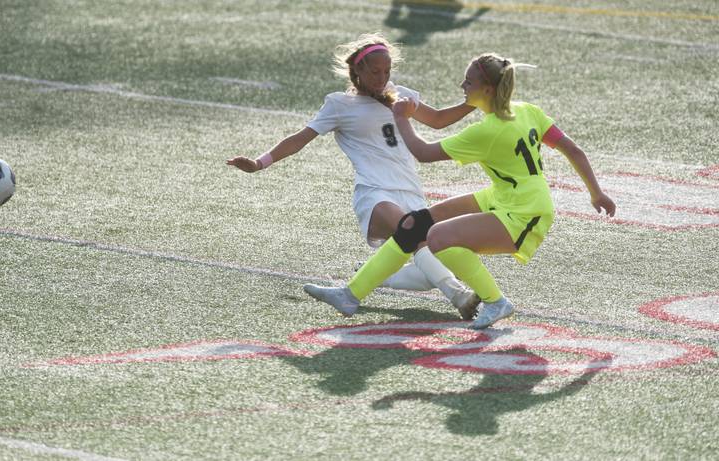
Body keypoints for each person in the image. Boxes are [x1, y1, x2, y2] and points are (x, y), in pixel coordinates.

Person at [304, 52, 616, 329]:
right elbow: (573, 150)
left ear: (487, 90)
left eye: (468, 83)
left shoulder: (487, 131)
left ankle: (494, 301)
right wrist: (596, 193)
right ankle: (350, 295)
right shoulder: (527, 110)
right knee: (415, 223)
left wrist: (402, 118)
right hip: (505, 195)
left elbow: (423, 153)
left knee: (438, 237)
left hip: (524, 211)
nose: (462, 87)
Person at [227, 33, 482, 318]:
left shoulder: (400, 95)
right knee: (415, 235)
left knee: (426, 267)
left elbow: (438, 120)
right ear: (357, 70)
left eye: (387, 71)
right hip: (374, 194)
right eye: (375, 72)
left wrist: (477, 101)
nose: (382, 78)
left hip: (411, 192)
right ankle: (458, 295)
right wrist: (259, 163)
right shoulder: (339, 105)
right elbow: (299, 139)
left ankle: (372, 276)